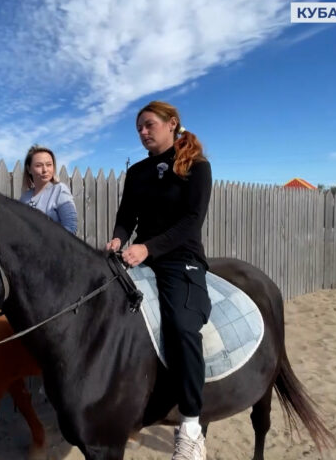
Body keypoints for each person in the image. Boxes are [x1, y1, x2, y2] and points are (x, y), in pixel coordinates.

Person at [106, 101, 212, 460]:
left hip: (180, 259)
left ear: (172, 124)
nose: (143, 133)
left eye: (149, 125)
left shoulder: (197, 167)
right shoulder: (136, 173)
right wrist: (119, 239)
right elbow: (126, 217)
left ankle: (192, 426)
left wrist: (147, 249)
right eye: (139, 128)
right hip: (139, 256)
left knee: (183, 327)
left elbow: (191, 223)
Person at [18, 145, 78, 235]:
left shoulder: (59, 190)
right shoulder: (24, 198)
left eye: (49, 165)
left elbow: (70, 228)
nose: (45, 170)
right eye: (38, 165)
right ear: (29, 169)